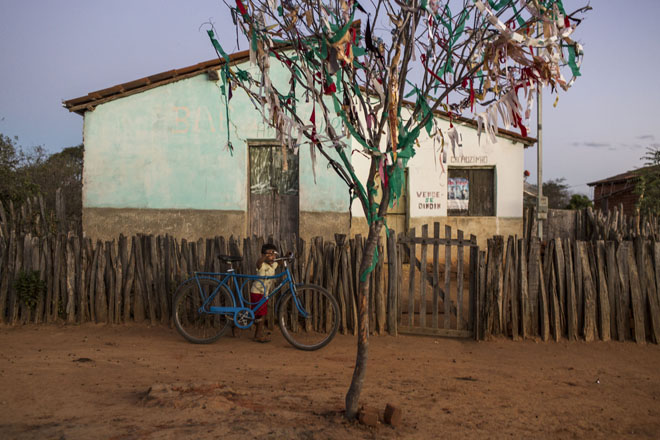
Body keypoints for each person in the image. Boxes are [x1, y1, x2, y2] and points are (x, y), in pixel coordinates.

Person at [250, 243, 279, 342]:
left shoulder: (273, 265)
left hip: (264, 294)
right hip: (257, 293)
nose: (272, 257)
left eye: (274, 255)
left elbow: (279, 261)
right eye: (270, 255)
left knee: (259, 314)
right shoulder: (261, 265)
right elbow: (258, 263)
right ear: (264, 255)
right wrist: (264, 257)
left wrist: (287, 257)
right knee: (259, 314)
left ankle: (256, 332)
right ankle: (257, 335)